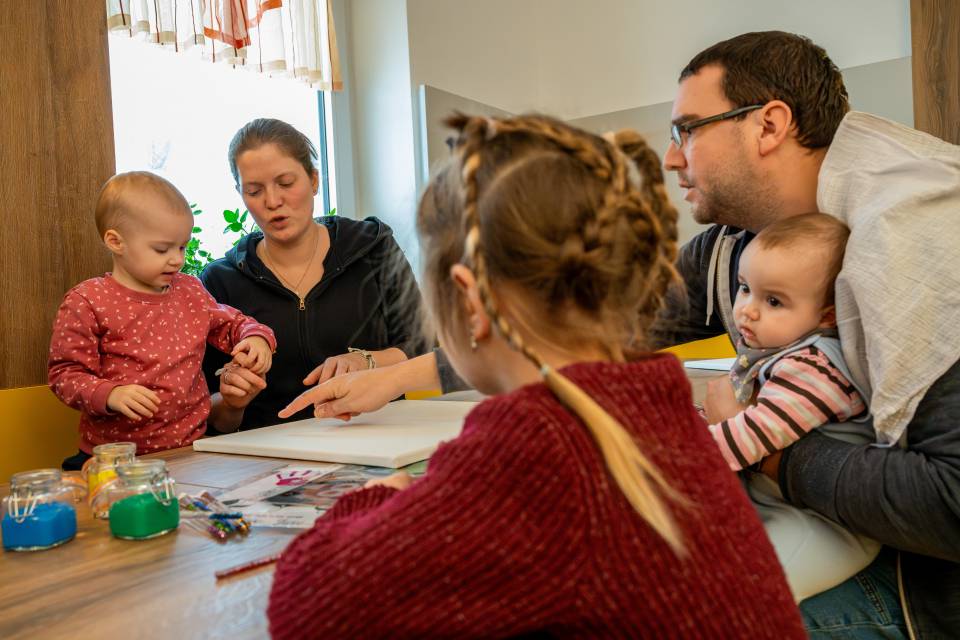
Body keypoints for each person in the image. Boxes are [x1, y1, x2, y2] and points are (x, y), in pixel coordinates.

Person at [281, 32, 960, 638]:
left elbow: (952, 503)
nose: (671, 157)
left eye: (687, 128)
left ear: (770, 125)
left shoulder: (915, 244)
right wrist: (400, 375)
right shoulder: (733, 251)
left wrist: (768, 446)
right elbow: (568, 315)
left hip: (913, 591)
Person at [268, 114, 806, 638]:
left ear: (470, 300)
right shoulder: (644, 397)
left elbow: (309, 608)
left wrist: (378, 497)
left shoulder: (539, 445)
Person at [200, 118, 428, 431]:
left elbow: (421, 346)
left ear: (314, 180)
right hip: (270, 461)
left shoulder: (373, 248)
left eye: (285, 183)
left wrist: (368, 361)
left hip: (378, 439)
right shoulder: (218, 282)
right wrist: (232, 401)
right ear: (241, 193)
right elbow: (208, 414)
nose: (272, 201)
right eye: (254, 190)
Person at [703, 212, 879, 603]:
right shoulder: (778, 350)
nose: (747, 309)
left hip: (824, 527)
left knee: (749, 592)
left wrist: (680, 454)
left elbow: (754, 433)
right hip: (778, 503)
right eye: (745, 288)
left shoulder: (816, 366)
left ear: (827, 315)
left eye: (774, 300)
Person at [48, 172, 276, 466]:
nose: (176, 259)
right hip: (115, 459)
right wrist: (110, 394)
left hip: (191, 450)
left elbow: (234, 324)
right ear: (116, 241)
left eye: (182, 247)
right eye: (162, 249)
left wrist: (255, 337)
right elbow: (64, 375)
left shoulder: (190, 291)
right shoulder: (88, 300)